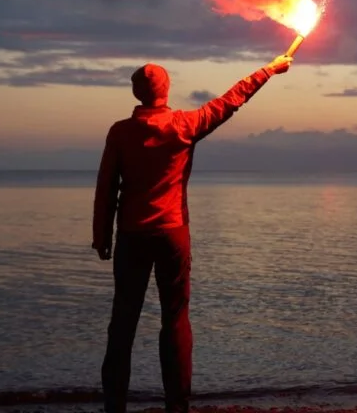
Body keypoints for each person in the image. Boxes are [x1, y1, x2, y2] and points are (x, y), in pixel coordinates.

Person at [92, 54, 293, 413]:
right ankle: (177, 405)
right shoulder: (186, 124)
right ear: (166, 90)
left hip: (131, 236)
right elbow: (233, 99)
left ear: (137, 93)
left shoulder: (120, 131)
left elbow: (106, 186)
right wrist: (268, 70)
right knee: (175, 318)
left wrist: (101, 234)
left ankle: (114, 406)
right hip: (172, 234)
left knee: (123, 321)